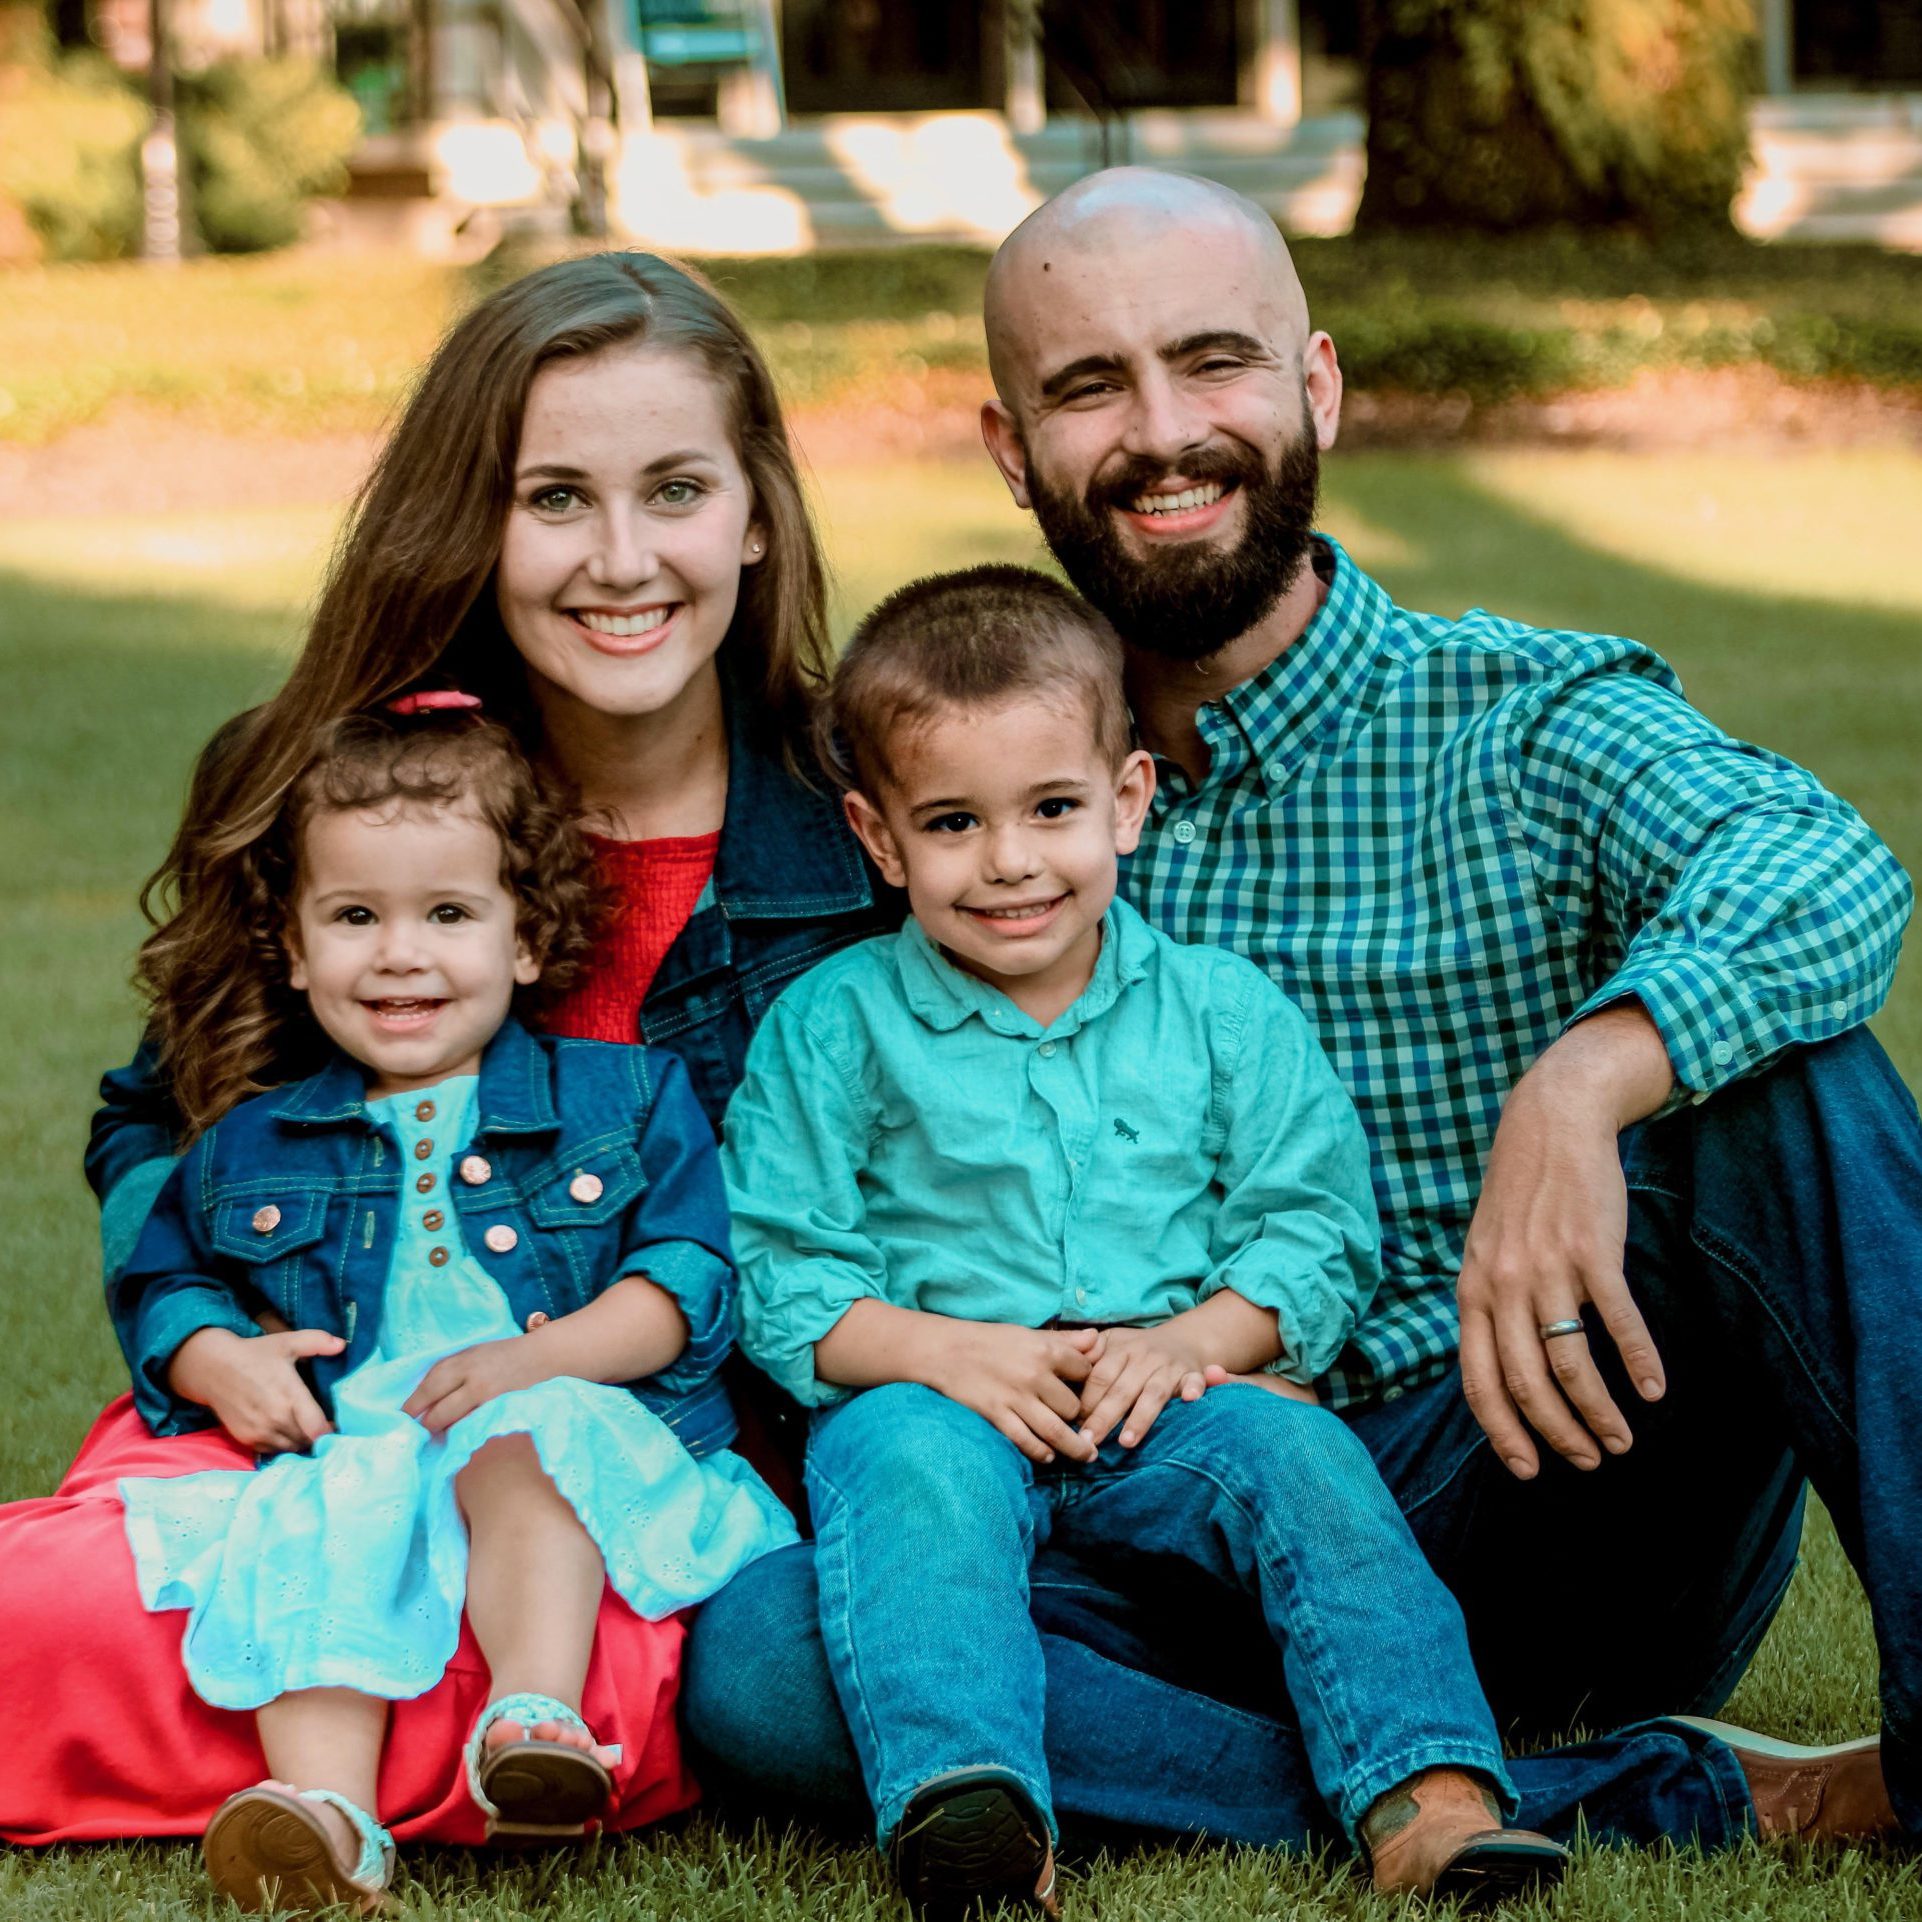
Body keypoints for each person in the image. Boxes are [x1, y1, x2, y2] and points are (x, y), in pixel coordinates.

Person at [682, 172, 1915, 1855]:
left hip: (1517, 1473)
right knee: (765, 1659)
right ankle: (1633, 1799)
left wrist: (1580, 1083)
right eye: (1090, 385)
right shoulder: (964, 773)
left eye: (1215, 364)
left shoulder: (1514, 719)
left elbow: (1820, 869)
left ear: (1314, 387)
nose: (1164, 432)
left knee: (1790, 1080)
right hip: (1111, 1548)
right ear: (1008, 443)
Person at [0, 251, 892, 1848]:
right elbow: (154, 1123)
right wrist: (203, 1346)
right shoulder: (365, 803)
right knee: (78, 1606)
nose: (621, 560)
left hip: (644, 1478)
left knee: (690, 1671)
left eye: (674, 489)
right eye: (556, 497)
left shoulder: (871, 826)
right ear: (472, 522)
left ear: (757, 512)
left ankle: (457, 1730)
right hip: (334, 1438)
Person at [724, 563, 1569, 1911]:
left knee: (1294, 1445)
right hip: (938, 1398)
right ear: (879, 841)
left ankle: (1426, 1792)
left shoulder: (1222, 1012)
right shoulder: (834, 1027)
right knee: (897, 1464)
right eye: (952, 822)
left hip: (1166, 1396)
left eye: (1051, 809)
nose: (1008, 861)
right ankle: (978, 1814)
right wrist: (945, 1354)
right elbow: (778, 1273)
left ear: (1125, 801)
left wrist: (1189, 1340)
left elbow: (1313, 1227)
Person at [109, 704, 794, 1912]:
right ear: (293, 946)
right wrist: (217, 1357)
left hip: (561, 1420)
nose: (400, 955)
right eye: (355, 916)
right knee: (310, 1524)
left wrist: (549, 1358)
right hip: (364, 1440)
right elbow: (167, 1277)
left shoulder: (624, 1097)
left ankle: (534, 1719)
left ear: (526, 936)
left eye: (449, 914)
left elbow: (684, 1280)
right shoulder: (248, 1142)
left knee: (525, 1444)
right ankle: (327, 1815)